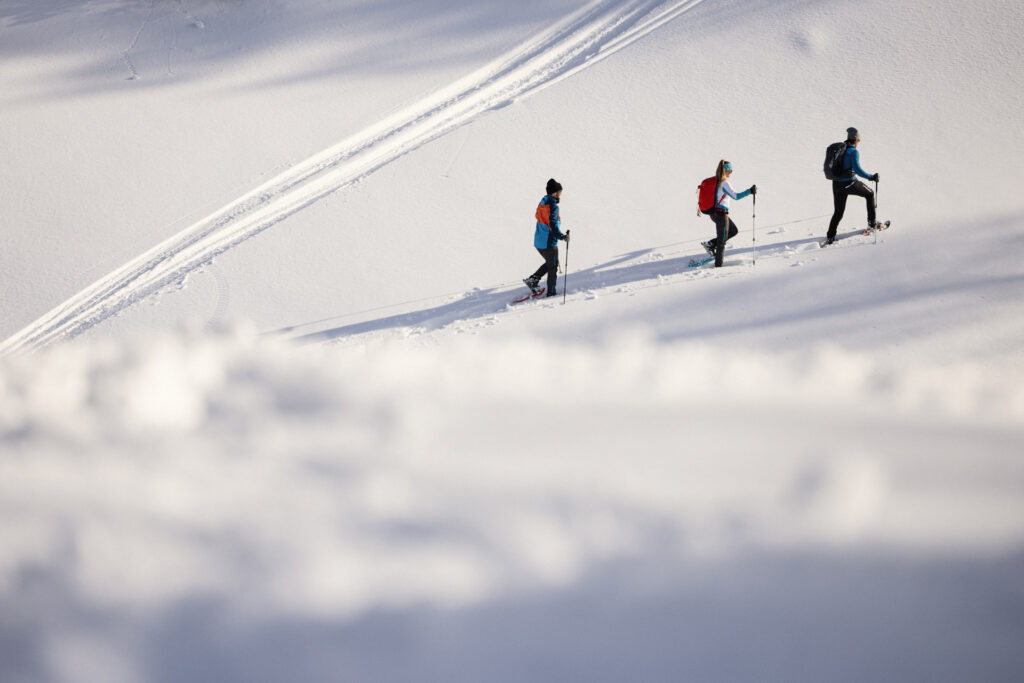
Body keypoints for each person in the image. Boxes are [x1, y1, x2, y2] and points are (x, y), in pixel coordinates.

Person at [824, 127, 880, 245]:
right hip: (849, 183)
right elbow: (858, 170)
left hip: (836, 185)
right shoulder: (853, 152)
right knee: (870, 194)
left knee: (838, 212)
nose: (859, 143)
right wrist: (871, 177)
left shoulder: (840, 149)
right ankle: (872, 224)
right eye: (859, 140)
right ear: (855, 140)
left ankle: (830, 236)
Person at [701, 160, 756, 267]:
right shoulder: (724, 182)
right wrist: (749, 191)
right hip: (721, 215)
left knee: (733, 231)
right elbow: (736, 196)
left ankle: (711, 244)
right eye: (730, 170)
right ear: (726, 170)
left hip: (715, 214)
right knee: (721, 243)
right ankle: (718, 267)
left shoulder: (716, 180)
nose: (731, 172)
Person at [524, 178, 569, 297]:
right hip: (549, 242)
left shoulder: (542, 203)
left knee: (551, 263)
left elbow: (538, 216)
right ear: (556, 192)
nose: (561, 194)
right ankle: (551, 293)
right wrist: (562, 236)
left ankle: (533, 279)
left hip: (539, 241)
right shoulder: (553, 207)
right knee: (553, 266)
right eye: (560, 192)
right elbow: (553, 227)